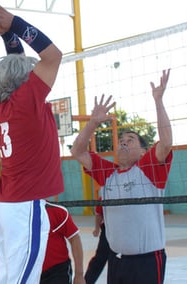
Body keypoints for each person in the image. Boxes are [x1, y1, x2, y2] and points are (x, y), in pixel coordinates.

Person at [0, 3, 64, 283]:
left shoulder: (1, 105)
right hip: (23, 206)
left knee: (7, 277)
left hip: (5, 204)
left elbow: (15, 61)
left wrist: (7, 35)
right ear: (24, 80)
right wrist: (14, 23)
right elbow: (53, 56)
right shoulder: (26, 102)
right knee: (23, 280)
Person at [71, 69, 172, 284]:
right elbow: (77, 151)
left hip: (147, 261)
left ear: (144, 152)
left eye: (131, 139)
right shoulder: (108, 173)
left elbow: (165, 143)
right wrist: (92, 123)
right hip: (117, 261)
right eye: (122, 139)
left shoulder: (149, 168)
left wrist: (158, 101)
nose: (123, 142)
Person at [40, 203, 85, 284]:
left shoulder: (56, 211)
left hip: (57, 271)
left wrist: (79, 275)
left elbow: (74, 239)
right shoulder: (15, 215)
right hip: (29, 272)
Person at [84, 204, 110, 283]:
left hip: (123, 231)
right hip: (108, 230)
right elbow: (99, 213)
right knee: (100, 258)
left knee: (118, 261)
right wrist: (97, 229)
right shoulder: (106, 195)